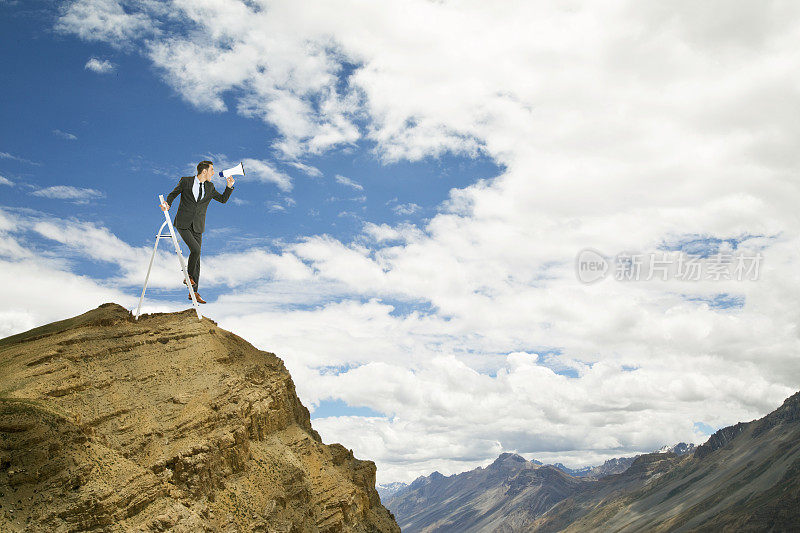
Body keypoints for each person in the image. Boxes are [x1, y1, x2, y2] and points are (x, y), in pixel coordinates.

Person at [160, 160, 235, 304]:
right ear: (204, 171)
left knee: (197, 257)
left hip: (198, 226)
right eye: (212, 170)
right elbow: (173, 194)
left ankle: (193, 292)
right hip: (183, 223)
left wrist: (229, 187)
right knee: (196, 250)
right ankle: (188, 277)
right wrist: (167, 204)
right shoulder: (186, 181)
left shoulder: (210, 186)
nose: (214, 173)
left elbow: (223, 200)